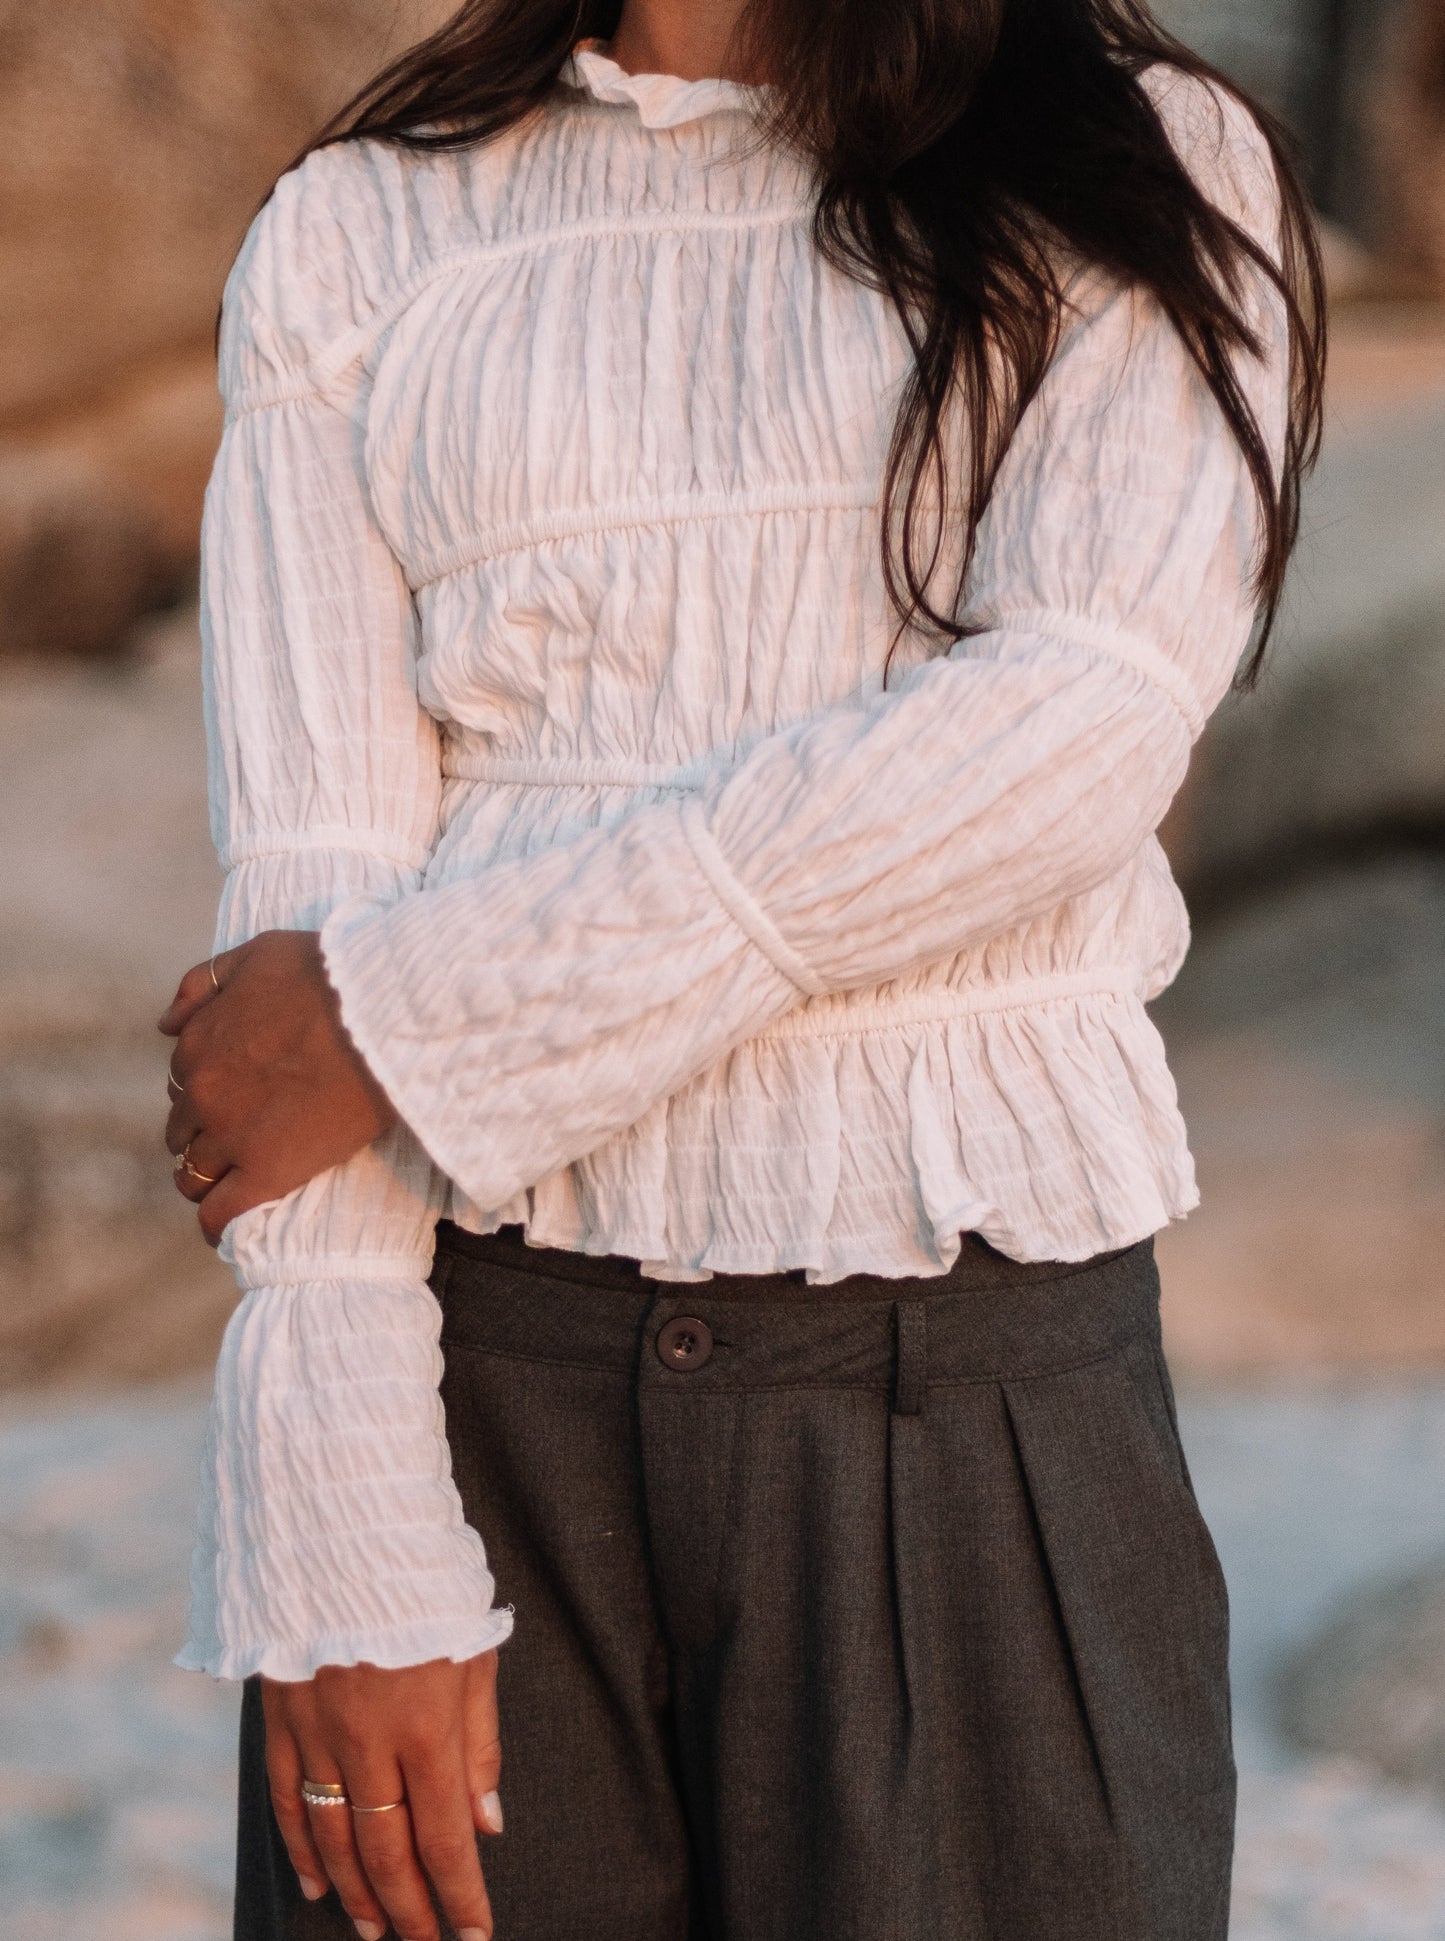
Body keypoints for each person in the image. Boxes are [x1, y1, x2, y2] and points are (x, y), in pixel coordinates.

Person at [158, 0, 1323, 1935]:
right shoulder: (360, 225)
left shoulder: (1142, 160)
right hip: (473, 1394)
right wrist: (340, 1526)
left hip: (960, 1406)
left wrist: (412, 1014)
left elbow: (1069, 733)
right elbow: (309, 880)